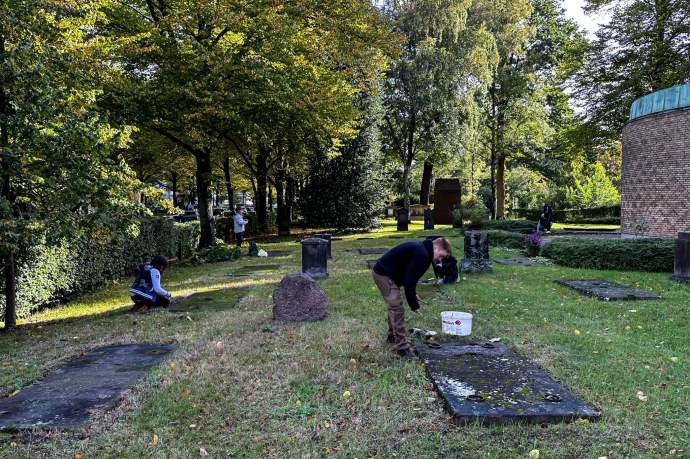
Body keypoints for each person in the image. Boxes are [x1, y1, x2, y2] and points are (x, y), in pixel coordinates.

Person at [372, 237, 452, 358]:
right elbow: (409, 281)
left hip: (390, 275)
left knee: (395, 306)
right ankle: (402, 348)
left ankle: (392, 337)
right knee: (397, 308)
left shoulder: (423, 251)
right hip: (383, 274)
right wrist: (414, 305)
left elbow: (410, 276)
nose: (439, 260)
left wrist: (413, 294)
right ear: (435, 247)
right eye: (440, 256)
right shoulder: (422, 254)